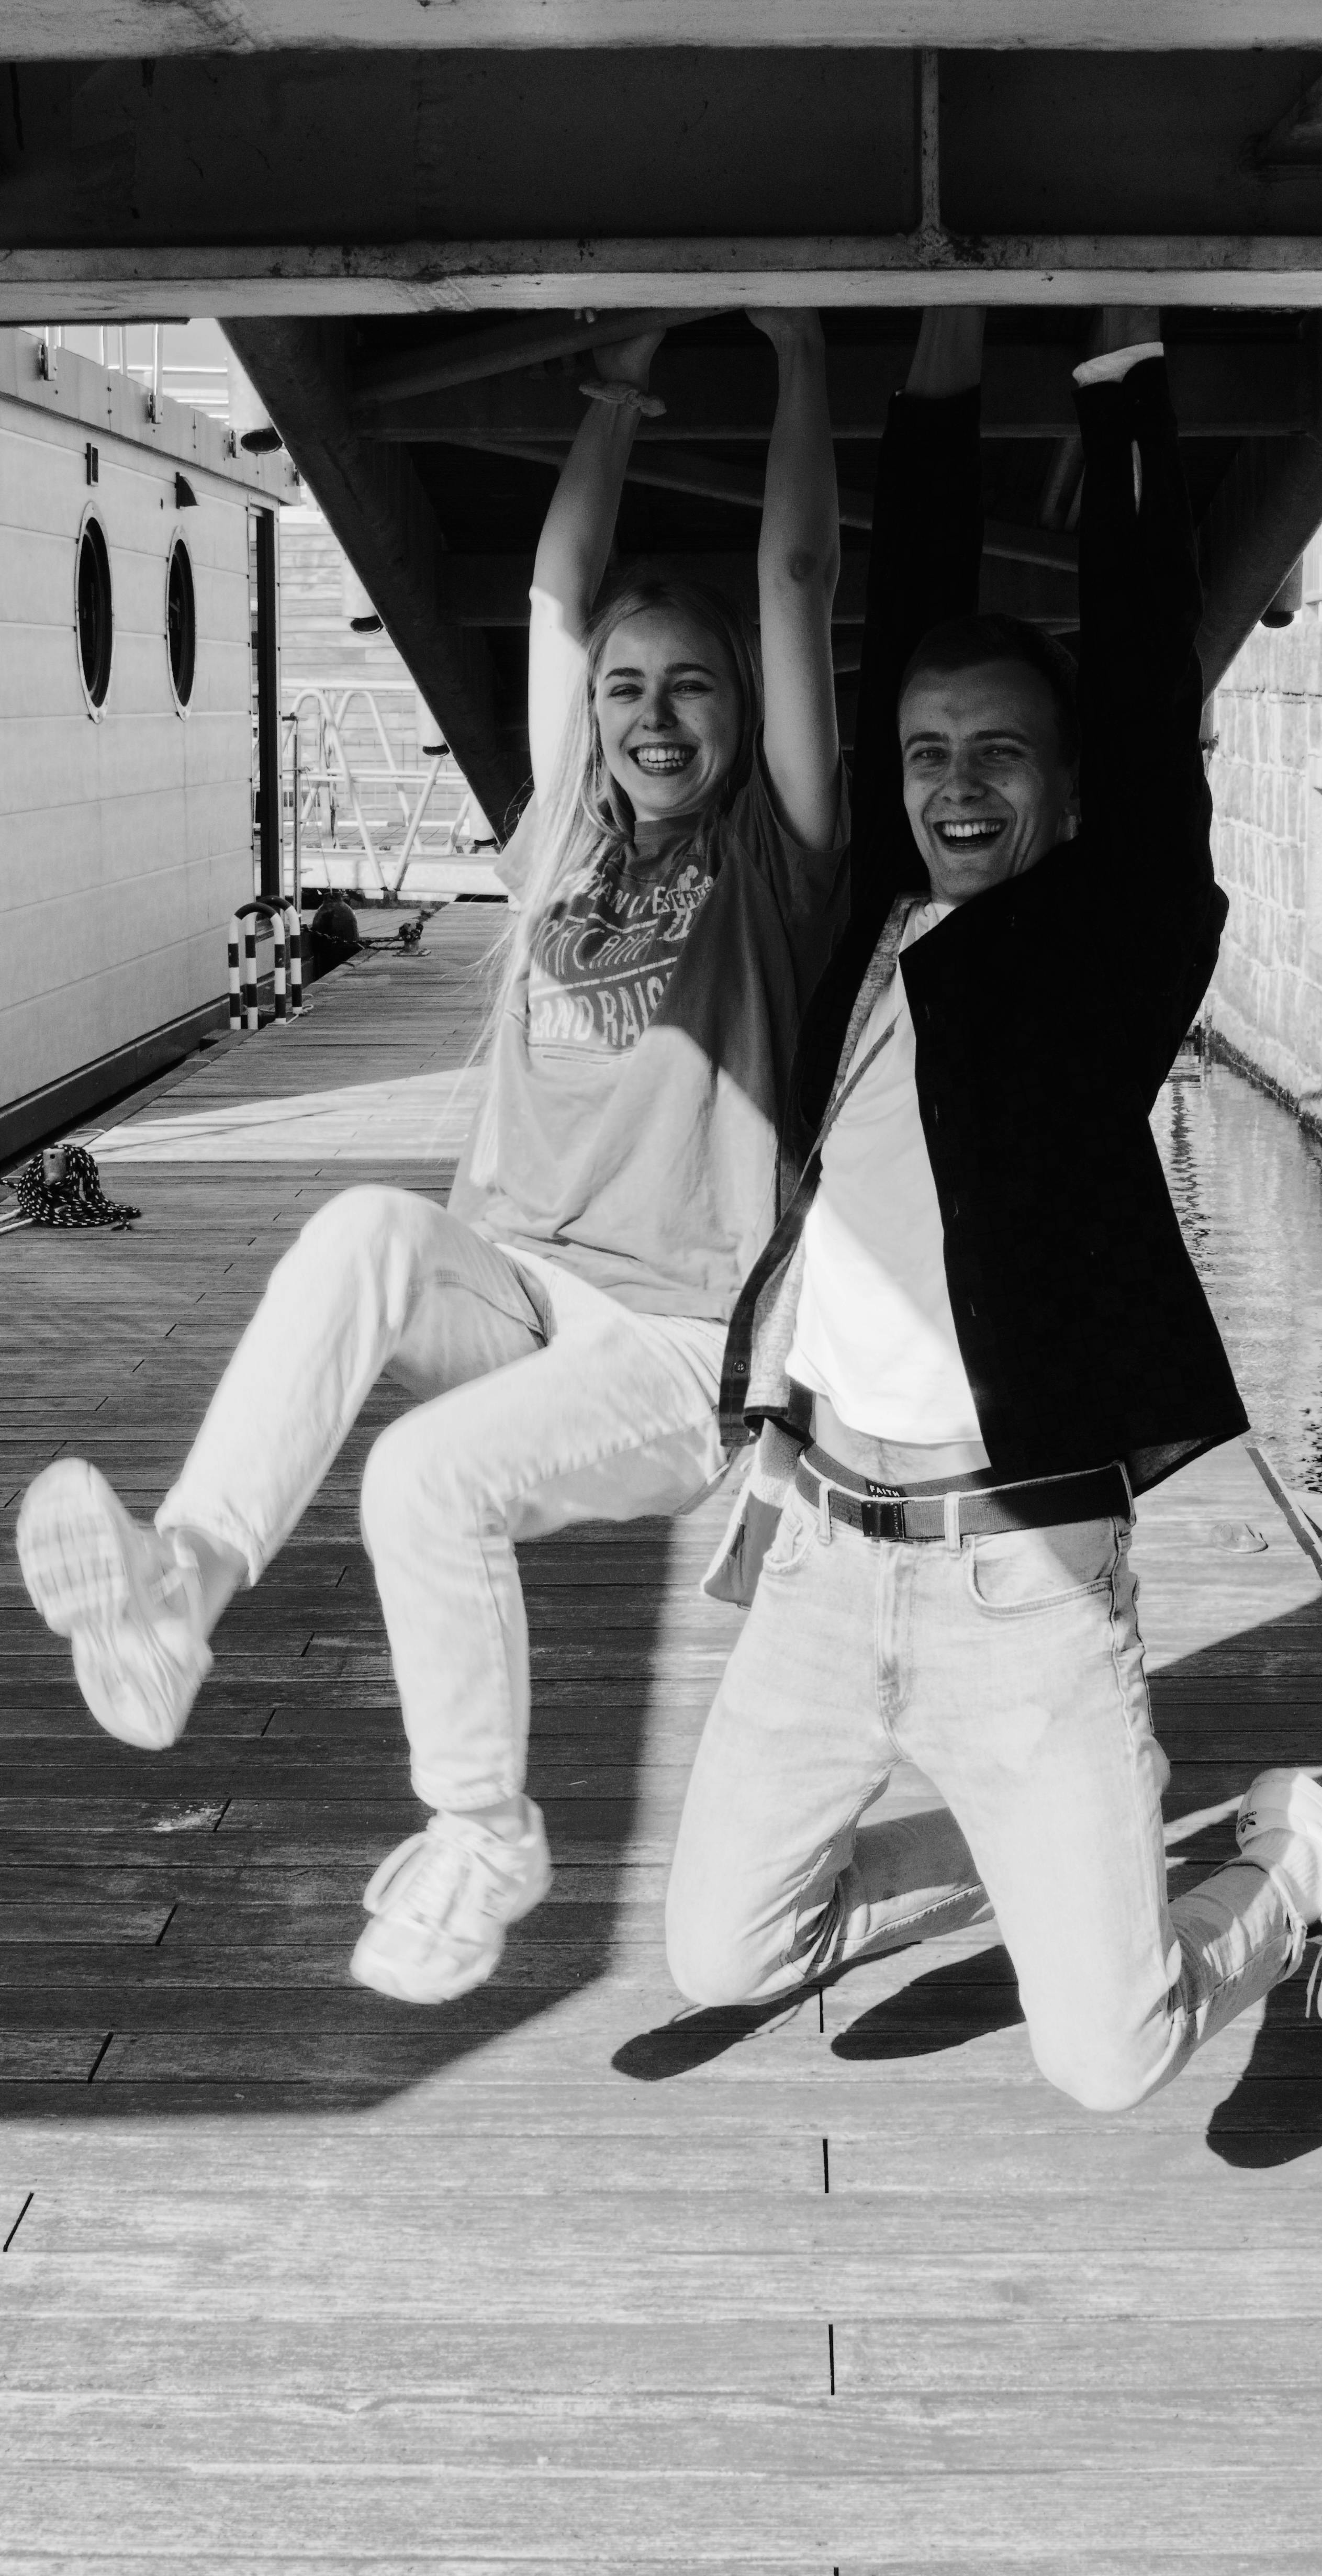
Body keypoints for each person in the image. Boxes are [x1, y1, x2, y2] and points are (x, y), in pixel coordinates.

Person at [663, 306, 1322, 2111]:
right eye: (929, 753)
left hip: (1021, 1579)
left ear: (1074, 788)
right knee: (726, 1953)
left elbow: (1128, 654)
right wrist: (933, 342)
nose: (953, 781)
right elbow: (898, 620)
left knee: (1113, 2057)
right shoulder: (874, 908)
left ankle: (1291, 1866)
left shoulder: (1107, 949)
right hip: (821, 1559)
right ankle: (1049, 1874)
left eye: (999, 754)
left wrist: (1123, 372)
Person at [16, 310, 846, 2007]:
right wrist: (608, 396)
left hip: (677, 1349)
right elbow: (555, 605)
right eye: (628, 690)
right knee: (356, 1230)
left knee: (422, 1480)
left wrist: (803, 358)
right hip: (522, 1283)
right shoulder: (555, 843)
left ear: (740, 709)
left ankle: (480, 1831)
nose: (653, 716)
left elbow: (798, 582)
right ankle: (186, 1582)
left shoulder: (778, 857)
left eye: (690, 686)